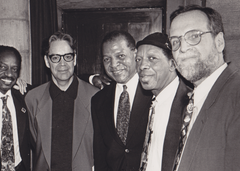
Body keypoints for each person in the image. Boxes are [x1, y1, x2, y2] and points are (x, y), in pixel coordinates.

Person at [169, 5, 240, 171]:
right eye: (175, 41)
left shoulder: (236, 96)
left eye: (194, 36)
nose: (183, 48)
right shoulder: (192, 100)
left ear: (219, 42)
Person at [25, 32, 98, 171]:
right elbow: (33, 144)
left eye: (67, 57)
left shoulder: (95, 97)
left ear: (75, 59)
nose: (62, 63)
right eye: (55, 57)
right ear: (47, 61)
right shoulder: (32, 98)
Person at [91, 30, 153, 171]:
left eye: (120, 56)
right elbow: (100, 153)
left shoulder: (154, 92)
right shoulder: (98, 100)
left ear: (135, 53)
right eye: (107, 59)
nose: (113, 64)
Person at [135, 32, 190, 171]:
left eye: (152, 58)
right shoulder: (145, 102)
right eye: (138, 60)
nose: (142, 66)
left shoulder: (190, 103)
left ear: (173, 64)